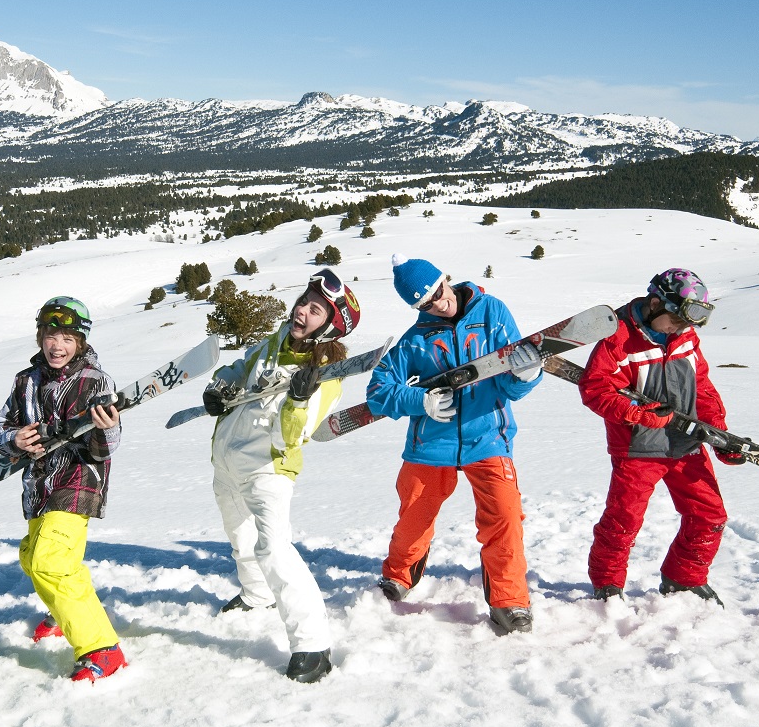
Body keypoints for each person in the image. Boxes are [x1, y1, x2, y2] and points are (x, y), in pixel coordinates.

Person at [365, 255, 544, 634]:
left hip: (488, 437)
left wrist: (526, 374)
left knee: (505, 516)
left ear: (445, 278)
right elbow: (378, 391)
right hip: (430, 444)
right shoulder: (415, 340)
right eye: (424, 304)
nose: (437, 304)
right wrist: (421, 402)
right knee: (414, 515)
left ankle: (509, 601)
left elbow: (510, 383)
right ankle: (398, 575)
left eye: (436, 292)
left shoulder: (492, 311)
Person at [201, 268, 360, 683]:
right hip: (226, 460)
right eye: (303, 302)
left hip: (268, 469)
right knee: (239, 537)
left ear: (329, 327)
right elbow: (239, 369)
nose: (302, 312)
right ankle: (255, 596)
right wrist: (221, 386)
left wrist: (298, 398)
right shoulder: (272, 345)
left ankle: (312, 644)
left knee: (274, 550)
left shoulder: (327, 375)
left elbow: (293, 436)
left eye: (315, 310)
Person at [578, 268, 738, 605]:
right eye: (676, 321)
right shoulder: (617, 338)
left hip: (686, 443)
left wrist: (718, 434)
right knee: (624, 520)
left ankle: (684, 579)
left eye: (687, 324)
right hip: (638, 447)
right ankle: (607, 586)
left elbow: (703, 387)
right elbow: (594, 390)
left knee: (709, 516)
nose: (681, 329)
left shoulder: (685, 338)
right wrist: (641, 415)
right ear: (655, 304)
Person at [0, 296, 126, 682]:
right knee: (33, 559)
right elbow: (1, 427)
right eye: (50, 334)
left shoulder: (95, 381)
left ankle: (102, 648)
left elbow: (108, 447)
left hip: (80, 479)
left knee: (52, 561)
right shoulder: (25, 381)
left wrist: (105, 427)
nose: (57, 344)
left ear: (80, 341)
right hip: (39, 484)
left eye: (67, 336)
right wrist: (15, 440)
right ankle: (67, 614)